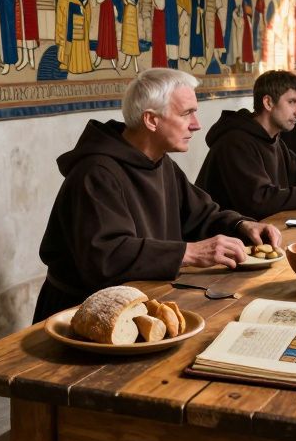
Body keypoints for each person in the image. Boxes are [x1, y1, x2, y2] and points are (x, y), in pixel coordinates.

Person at [33, 69, 283, 321]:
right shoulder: (95, 173)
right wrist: (190, 253)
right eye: (187, 113)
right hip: (82, 314)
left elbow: (201, 215)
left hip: (139, 303)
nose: (196, 124)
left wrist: (242, 225)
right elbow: (106, 256)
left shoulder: (160, 162)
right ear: (151, 120)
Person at [196, 70, 296, 216]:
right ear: (268, 103)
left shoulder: (272, 138)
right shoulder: (235, 142)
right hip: (228, 240)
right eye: (292, 102)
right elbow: (258, 201)